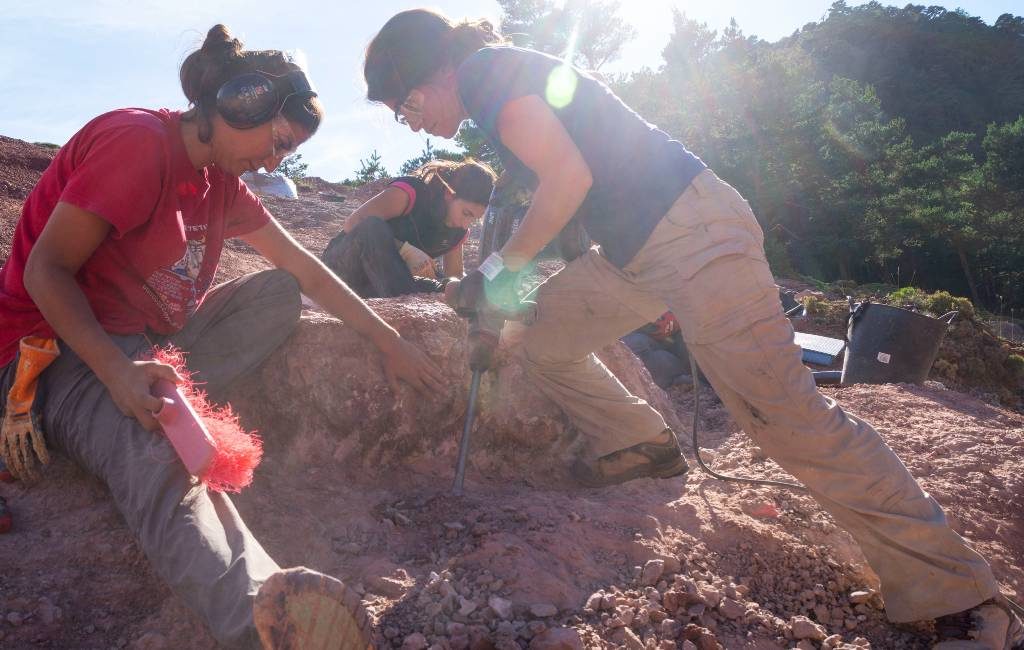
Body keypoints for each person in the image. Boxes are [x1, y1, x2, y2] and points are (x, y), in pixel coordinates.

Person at [361, 9, 1024, 648]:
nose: (409, 124)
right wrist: (511, 282)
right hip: (638, 252)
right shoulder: (499, 83)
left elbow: (568, 178)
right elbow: (569, 198)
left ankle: (964, 598)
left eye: (404, 107)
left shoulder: (483, 73)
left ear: (425, 76)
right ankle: (642, 445)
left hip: (694, 234)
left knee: (788, 419)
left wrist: (502, 267)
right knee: (546, 333)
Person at [0, 25, 447, 649]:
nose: (274, 161)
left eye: (287, 155)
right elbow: (45, 273)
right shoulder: (136, 144)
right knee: (161, 454)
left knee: (276, 294)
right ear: (241, 100)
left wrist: (388, 339)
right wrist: (118, 375)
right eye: (277, 141)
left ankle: (155, 407)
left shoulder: (221, 183)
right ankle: (263, 621)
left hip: (139, 337)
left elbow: (304, 269)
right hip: (55, 347)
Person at [321, 159, 495, 297]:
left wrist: (478, 290)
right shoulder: (413, 192)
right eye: (466, 213)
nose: (466, 224)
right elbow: (355, 223)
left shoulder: (458, 232)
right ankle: (406, 299)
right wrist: (408, 254)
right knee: (372, 227)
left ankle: (405, 295)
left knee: (447, 283)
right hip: (341, 268)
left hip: (375, 284)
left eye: (474, 220)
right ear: (449, 194)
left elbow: (455, 274)